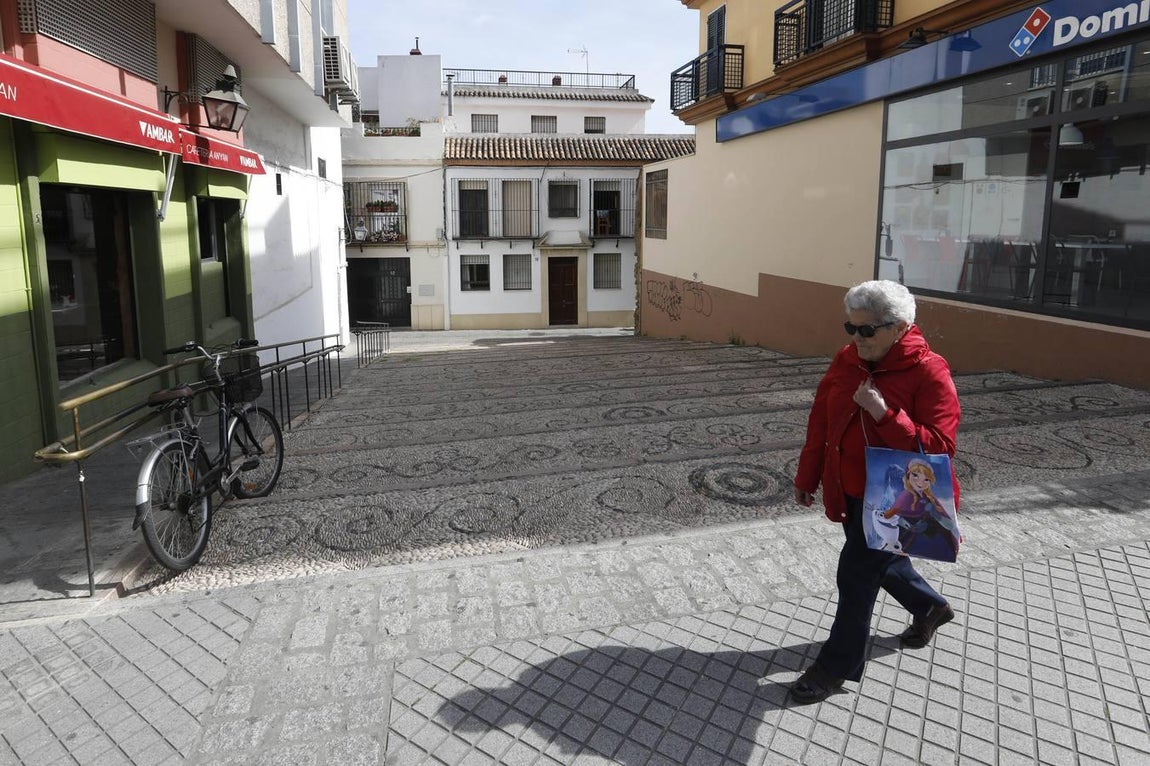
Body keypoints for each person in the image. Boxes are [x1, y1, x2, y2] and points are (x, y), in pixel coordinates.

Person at [790, 280, 961, 704]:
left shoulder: (929, 370)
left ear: (900, 328)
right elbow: (821, 421)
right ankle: (930, 607)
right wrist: (807, 475)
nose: (857, 338)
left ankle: (835, 666)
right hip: (849, 491)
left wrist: (885, 414)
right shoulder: (848, 359)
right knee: (878, 562)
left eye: (868, 330)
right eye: (851, 328)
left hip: (895, 501)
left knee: (856, 575)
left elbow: (940, 446)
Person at [882, 458, 960, 561]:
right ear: (908, 475)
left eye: (926, 479)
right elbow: (889, 515)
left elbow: (949, 525)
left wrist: (935, 514)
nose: (920, 482)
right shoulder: (905, 496)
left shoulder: (928, 496)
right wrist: (908, 525)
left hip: (929, 533)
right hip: (909, 535)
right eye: (915, 475)